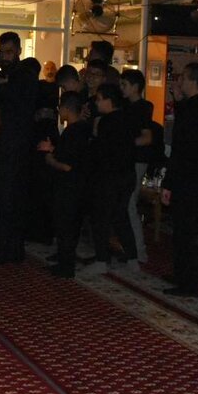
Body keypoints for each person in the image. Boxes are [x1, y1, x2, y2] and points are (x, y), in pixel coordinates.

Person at [0, 34, 39, 265]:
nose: (5, 56)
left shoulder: (24, 76)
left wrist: (5, 88)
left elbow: (22, 108)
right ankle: (0, 249)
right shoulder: (4, 76)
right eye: (2, 51)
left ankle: (5, 250)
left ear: (19, 51)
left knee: (9, 199)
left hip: (15, 148)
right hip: (2, 146)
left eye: (9, 52)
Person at [161, 62, 198, 297]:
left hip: (188, 180)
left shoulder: (194, 111)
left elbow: (181, 150)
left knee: (185, 233)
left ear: (192, 81)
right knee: (185, 232)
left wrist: (169, 183)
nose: (179, 81)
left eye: (183, 77)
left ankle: (188, 282)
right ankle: (183, 275)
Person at [83, 83, 139, 270]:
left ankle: (102, 259)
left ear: (109, 100)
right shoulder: (128, 117)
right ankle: (132, 258)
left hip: (109, 176)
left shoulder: (107, 121)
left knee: (101, 217)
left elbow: (102, 151)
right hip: (127, 175)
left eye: (99, 99)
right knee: (120, 215)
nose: (97, 103)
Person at [40, 91, 90, 278]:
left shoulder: (72, 132)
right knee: (72, 227)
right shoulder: (83, 130)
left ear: (67, 109)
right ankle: (65, 261)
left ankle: (65, 266)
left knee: (65, 227)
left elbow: (67, 165)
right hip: (81, 186)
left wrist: (50, 159)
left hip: (69, 187)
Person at [119, 68, 154, 263]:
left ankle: (138, 250)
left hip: (137, 160)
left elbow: (147, 137)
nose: (121, 88)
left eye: (124, 85)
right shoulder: (126, 106)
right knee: (125, 204)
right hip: (129, 159)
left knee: (129, 204)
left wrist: (126, 144)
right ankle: (131, 248)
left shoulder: (142, 107)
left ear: (135, 87)